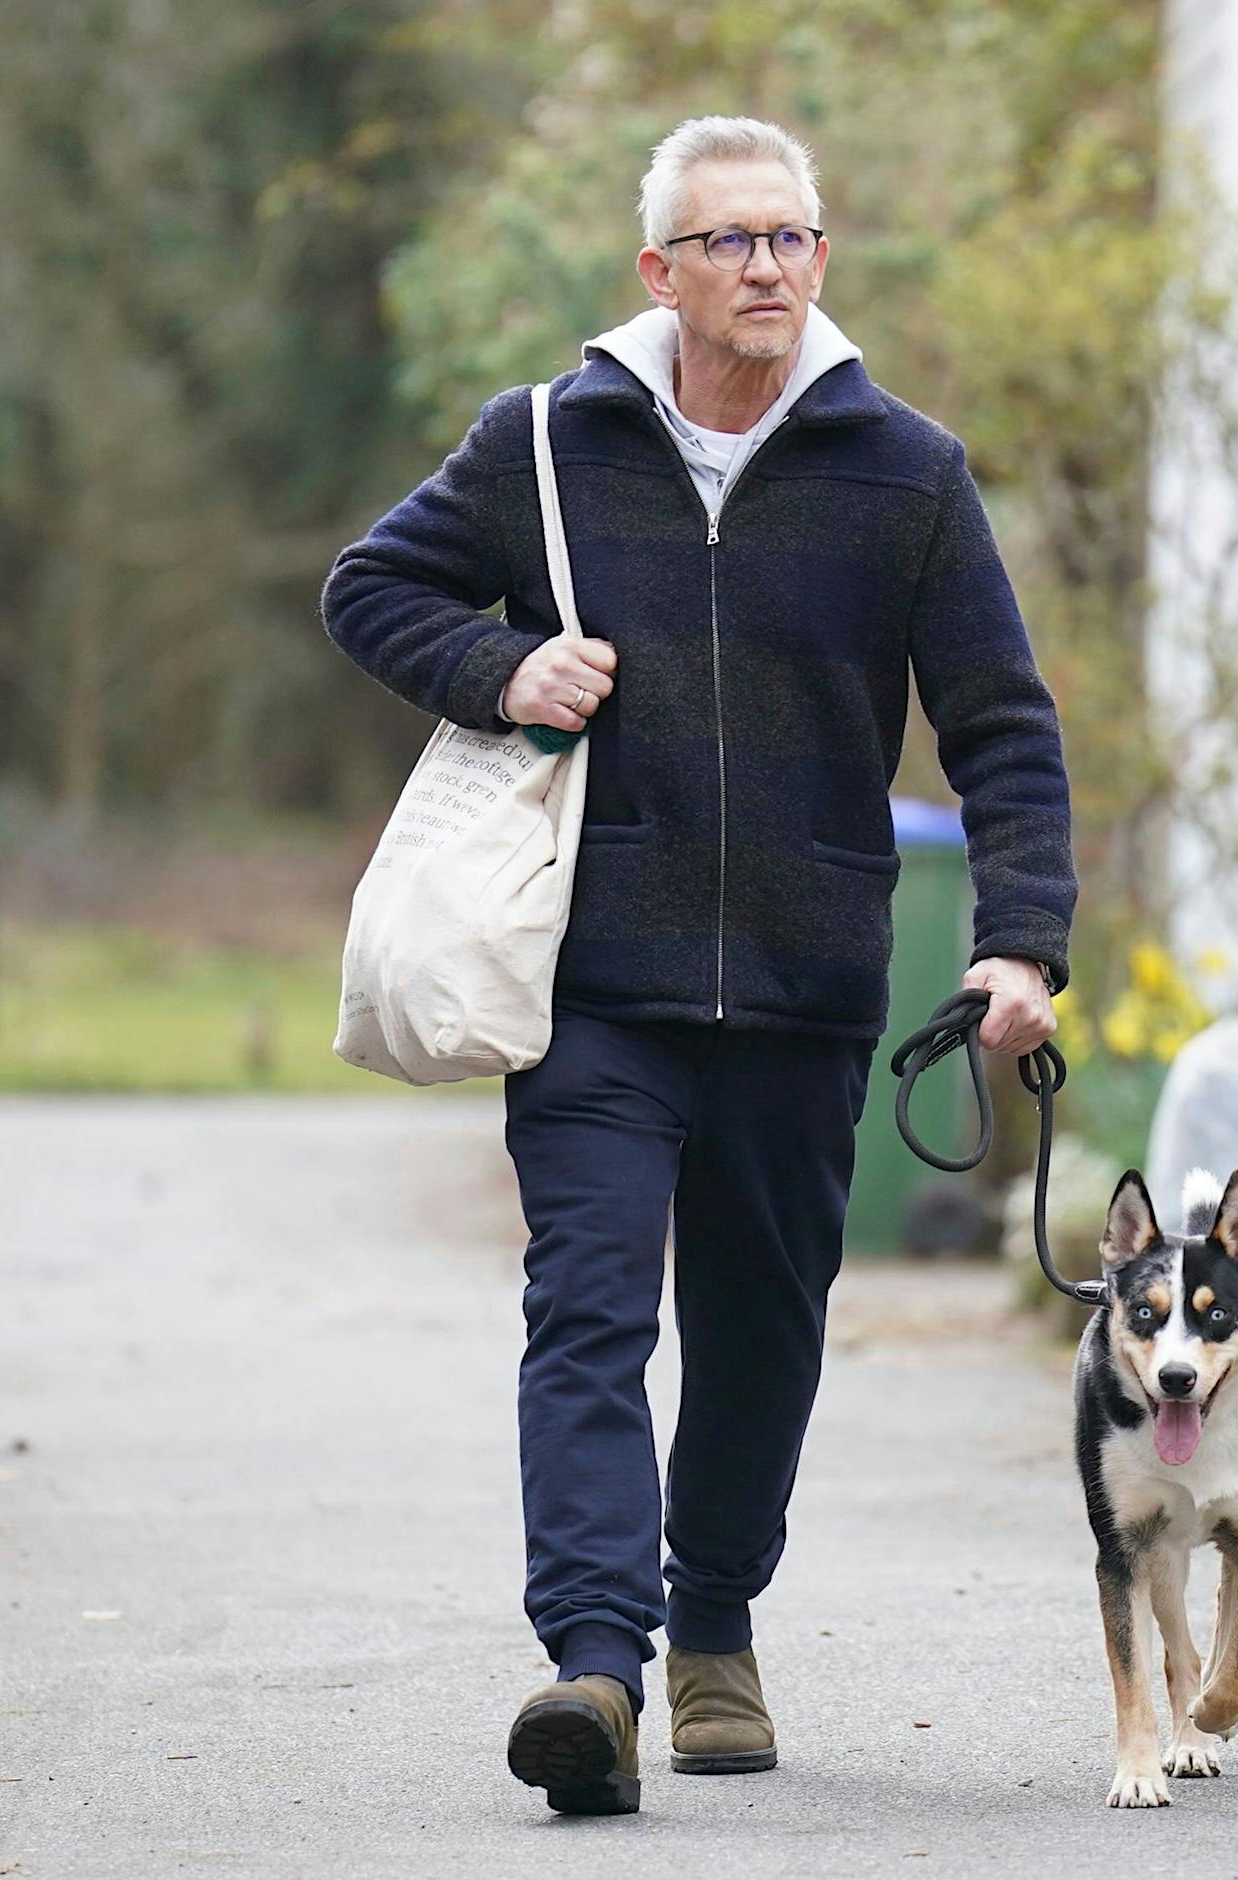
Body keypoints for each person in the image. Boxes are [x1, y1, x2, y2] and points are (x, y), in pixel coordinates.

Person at [320, 113, 1076, 1818]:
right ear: (659, 271)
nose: (765, 267)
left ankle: (715, 1616)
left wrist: (1021, 938)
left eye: (790, 236)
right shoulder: (543, 440)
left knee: (760, 1325)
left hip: (809, 988)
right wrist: (502, 672)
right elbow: (371, 588)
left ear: (822, 257)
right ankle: (597, 1666)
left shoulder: (907, 472)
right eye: (729, 240)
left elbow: (1003, 726)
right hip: (594, 979)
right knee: (586, 1307)